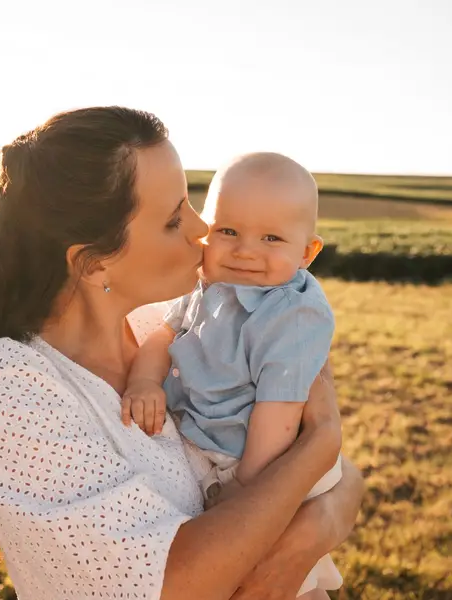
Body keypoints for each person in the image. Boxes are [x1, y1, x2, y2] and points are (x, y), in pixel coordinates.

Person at [0, 106, 364, 600]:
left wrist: (308, 531)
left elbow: (344, 483)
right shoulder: (7, 389)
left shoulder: (168, 324)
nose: (204, 229)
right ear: (93, 263)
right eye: (175, 217)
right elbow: (173, 585)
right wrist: (320, 442)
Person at [121, 152, 344, 595]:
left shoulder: (293, 314)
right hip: (212, 445)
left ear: (307, 252)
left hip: (261, 460)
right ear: (206, 232)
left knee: (278, 577)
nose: (245, 251)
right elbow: (164, 337)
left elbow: (278, 408)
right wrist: (144, 381)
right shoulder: (204, 286)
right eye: (228, 231)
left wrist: (250, 490)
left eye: (271, 238)